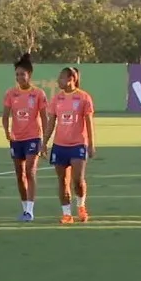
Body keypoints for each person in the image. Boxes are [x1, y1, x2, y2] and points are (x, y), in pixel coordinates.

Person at [43, 67, 96, 224]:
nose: (58, 81)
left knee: (78, 180)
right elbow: (51, 122)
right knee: (62, 181)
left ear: (71, 78)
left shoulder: (84, 98)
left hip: (78, 144)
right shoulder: (56, 99)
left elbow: (89, 123)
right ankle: (67, 214)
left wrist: (91, 144)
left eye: (61, 78)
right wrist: (44, 142)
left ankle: (81, 206)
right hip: (60, 145)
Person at [2, 53, 50, 221]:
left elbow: (44, 117)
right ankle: (24, 208)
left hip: (33, 137)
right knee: (19, 174)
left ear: (29, 74)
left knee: (30, 171)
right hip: (16, 139)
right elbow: (5, 115)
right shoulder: (10, 93)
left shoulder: (38, 94)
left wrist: (44, 139)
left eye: (22, 74)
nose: (19, 77)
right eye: (17, 74)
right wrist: (7, 131)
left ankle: (30, 210)